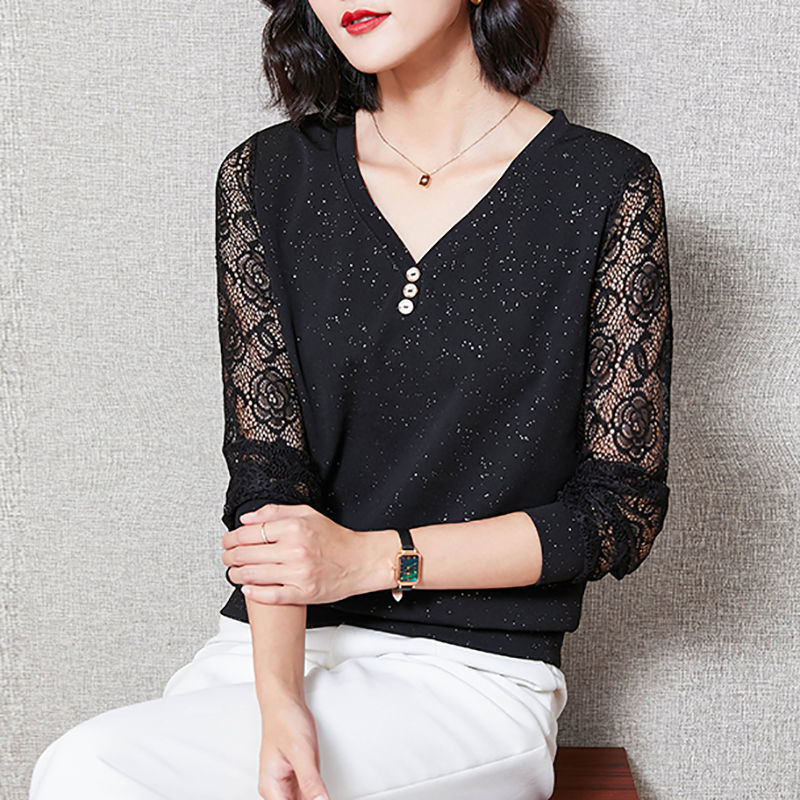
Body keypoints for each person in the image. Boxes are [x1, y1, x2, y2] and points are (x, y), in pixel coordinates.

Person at [28, 1, 673, 799]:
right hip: (268, 650)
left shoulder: (603, 185)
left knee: (88, 770)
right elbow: (269, 477)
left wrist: (373, 560)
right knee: (96, 770)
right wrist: (279, 701)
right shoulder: (266, 175)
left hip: (471, 674)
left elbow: (618, 514)